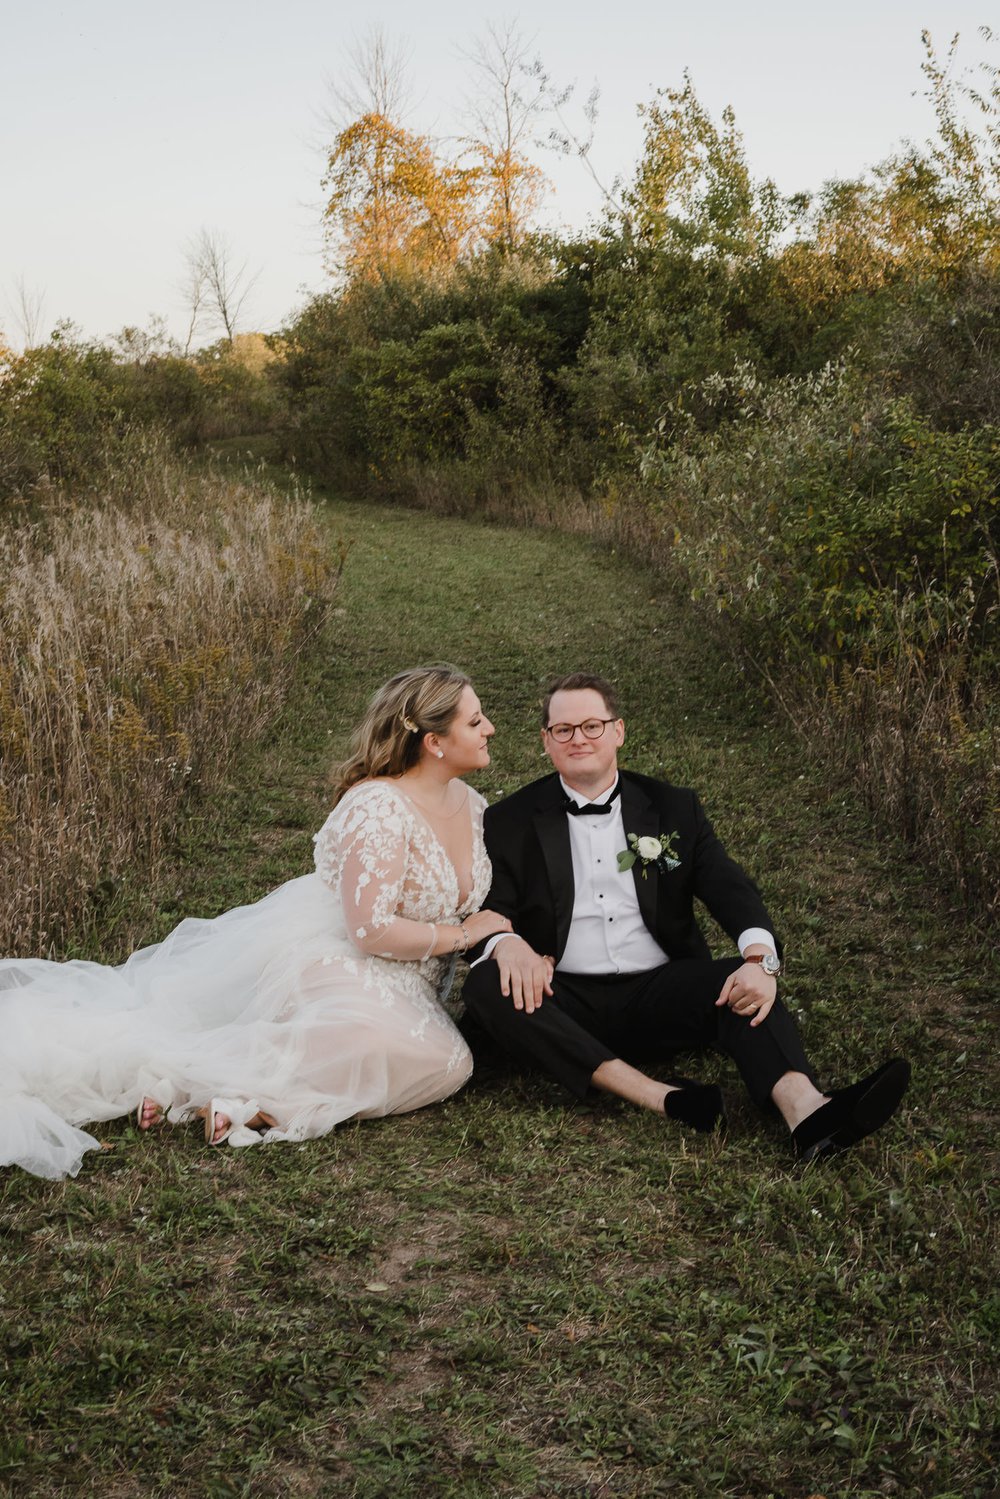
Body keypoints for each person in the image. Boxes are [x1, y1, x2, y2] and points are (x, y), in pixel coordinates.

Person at [0, 666, 511, 1180]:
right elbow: (370, 930)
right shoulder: (380, 807)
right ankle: (194, 1081)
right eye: (476, 721)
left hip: (415, 983)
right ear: (434, 742)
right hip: (347, 959)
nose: (489, 728)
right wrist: (466, 935)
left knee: (444, 1063)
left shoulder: (472, 806)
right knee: (423, 1052)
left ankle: (233, 1097)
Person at [460, 672, 910, 1160]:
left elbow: (728, 887)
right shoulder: (508, 819)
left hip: (661, 990)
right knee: (486, 985)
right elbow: (491, 909)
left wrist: (760, 960)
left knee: (741, 983)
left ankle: (808, 1113)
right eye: (563, 729)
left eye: (592, 726)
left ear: (618, 731)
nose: (579, 739)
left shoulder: (674, 808)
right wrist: (509, 945)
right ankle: (660, 1096)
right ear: (546, 741)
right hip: (561, 996)